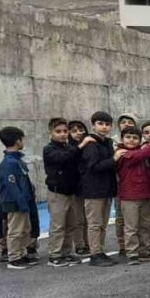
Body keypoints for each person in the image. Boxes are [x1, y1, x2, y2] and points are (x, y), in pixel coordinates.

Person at [115, 126, 150, 264]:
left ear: (139, 140)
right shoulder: (122, 153)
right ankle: (132, 253)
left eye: (134, 138)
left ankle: (144, 251)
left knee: (145, 225)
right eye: (128, 137)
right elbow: (140, 155)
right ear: (122, 139)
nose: (131, 140)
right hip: (129, 196)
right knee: (131, 227)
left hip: (145, 195)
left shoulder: (143, 151)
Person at [79, 111, 119, 266]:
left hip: (106, 188)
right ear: (93, 125)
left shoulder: (107, 142)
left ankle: (100, 251)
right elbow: (93, 167)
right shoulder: (90, 144)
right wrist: (114, 159)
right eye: (100, 124)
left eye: (107, 124)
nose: (104, 127)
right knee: (95, 224)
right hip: (94, 189)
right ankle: (95, 254)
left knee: (102, 223)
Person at [42, 118, 82, 266]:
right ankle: (54, 255)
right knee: (58, 225)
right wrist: (78, 147)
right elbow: (62, 158)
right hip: (57, 192)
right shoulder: (50, 149)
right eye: (58, 131)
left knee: (71, 224)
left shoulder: (69, 148)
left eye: (65, 131)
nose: (63, 134)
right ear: (51, 132)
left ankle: (66, 252)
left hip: (71, 191)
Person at [0, 127, 36, 269]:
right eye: (22, 139)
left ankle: (22, 253)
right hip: (15, 203)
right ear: (17, 141)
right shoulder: (9, 163)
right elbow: (12, 186)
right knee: (15, 230)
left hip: (24, 201)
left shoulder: (17, 160)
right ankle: (14, 257)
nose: (23, 142)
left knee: (25, 229)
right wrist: (22, 203)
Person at [66, 119, 90, 256]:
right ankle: (79, 244)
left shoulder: (89, 145)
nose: (79, 133)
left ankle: (88, 243)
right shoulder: (69, 148)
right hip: (75, 187)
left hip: (88, 185)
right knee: (78, 218)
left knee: (89, 218)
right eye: (74, 131)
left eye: (81, 130)